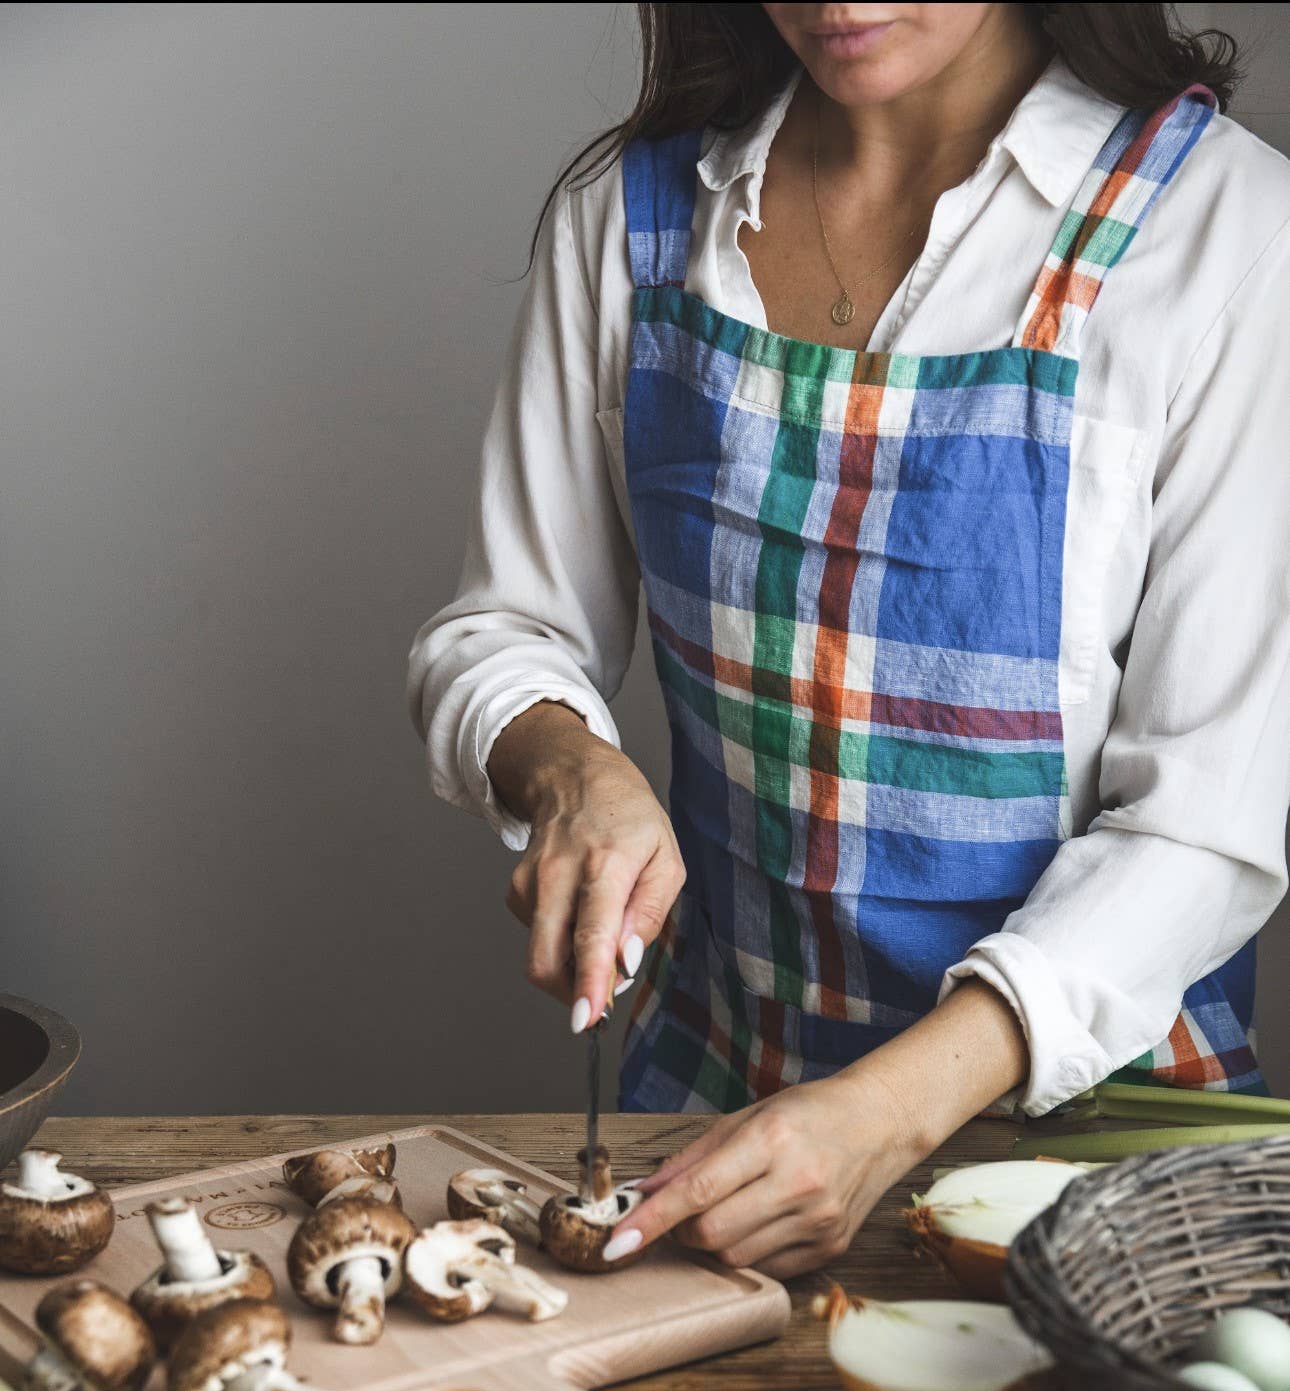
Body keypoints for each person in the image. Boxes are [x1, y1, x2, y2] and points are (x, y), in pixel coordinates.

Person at [409, 3, 1290, 1278]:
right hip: (717, 1126)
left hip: (1104, 1170)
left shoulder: (1228, 232)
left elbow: (1204, 827)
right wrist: (571, 772)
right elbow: (504, 626)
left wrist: (883, 1113)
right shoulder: (631, 211)